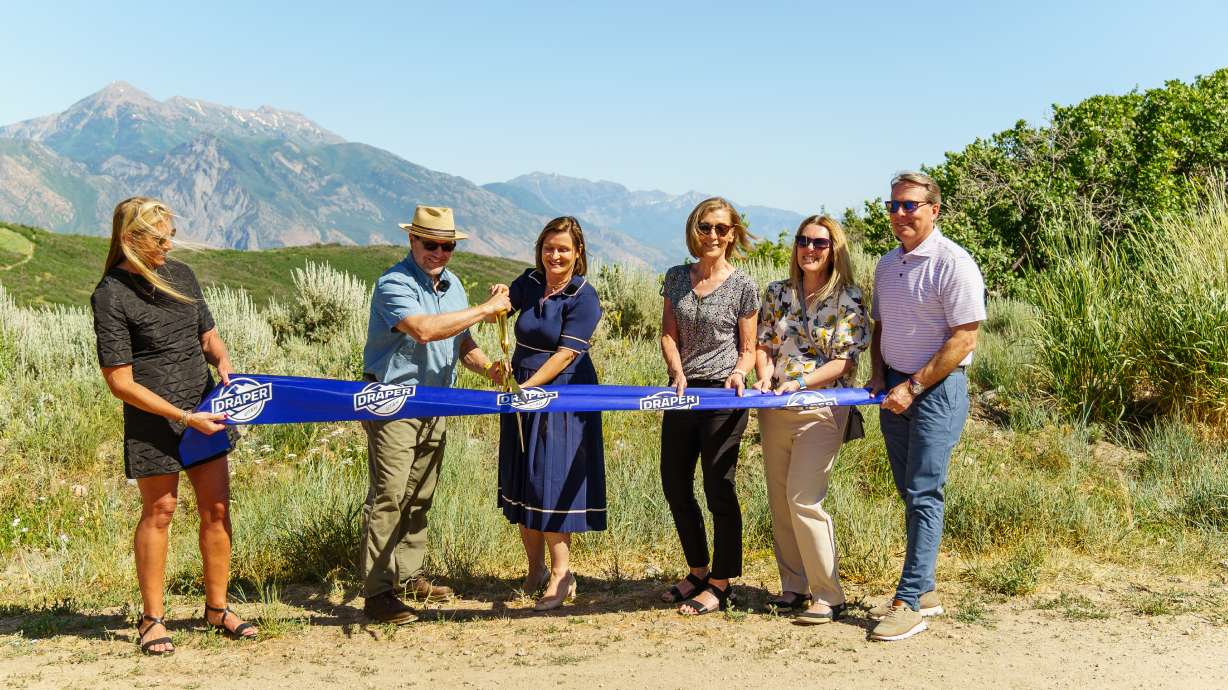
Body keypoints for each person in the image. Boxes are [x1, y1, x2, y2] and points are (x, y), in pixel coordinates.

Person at [91, 197, 254, 655]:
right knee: (159, 513)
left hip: (207, 409)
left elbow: (207, 335)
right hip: (155, 421)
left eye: (171, 234)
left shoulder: (182, 275)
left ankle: (217, 609)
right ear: (131, 239)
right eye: (160, 237)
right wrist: (182, 417)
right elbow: (119, 381)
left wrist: (221, 360)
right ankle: (152, 619)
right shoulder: (110, 293)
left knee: (217, 511)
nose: (170, 243)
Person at [360, 204, 510, 624]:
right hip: (395, 403)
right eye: (432, 245)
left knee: (420, 493)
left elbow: (461, 343)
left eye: (447, 247)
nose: (440, 253)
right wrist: (486, 308)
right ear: (412, 240)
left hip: (435, 401)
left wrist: (490, 370)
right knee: (390, 493)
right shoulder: (394, 283)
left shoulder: (454, 285)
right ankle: (378, 593)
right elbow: (425, 330)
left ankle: (409, 575)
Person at [866, 172, 986, 642]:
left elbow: (965, 337)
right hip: (894, 389)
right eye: (893, 206)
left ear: (934, 210)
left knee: (922, 492)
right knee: (908, 490)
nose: (900, 215)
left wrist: (913, 387)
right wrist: (879, 374)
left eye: (910, 206)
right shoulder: (886, 265)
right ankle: (928, 588)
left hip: (935, 391)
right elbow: (881, 325)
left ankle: (909, 601)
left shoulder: (954, 263)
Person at [752, 215, 869, 625]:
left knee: (804, 498)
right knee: (781, 500)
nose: (810, 248)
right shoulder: (776, 292)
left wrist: (799, 382)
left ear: (834, 249)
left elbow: (843, 361)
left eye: (820, 243)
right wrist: (764, 376)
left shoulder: (848, 299)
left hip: (822, 409)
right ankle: (794, 587)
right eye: (804, 241)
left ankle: (828, 594)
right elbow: (764, 343)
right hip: (775, 409)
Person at [658, 197, 760, 615]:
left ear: (733, 233)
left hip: (723, 395)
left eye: (721, 228)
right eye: (705, 227)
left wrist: (739, 371)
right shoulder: (676, 277)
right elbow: (667, 335)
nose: (713, 236)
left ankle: (721, 581)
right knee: (674, 483)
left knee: (719, 486)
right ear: (693, 231)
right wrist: (677, 370)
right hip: (682, 392)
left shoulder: (743, 285)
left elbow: (751, 348)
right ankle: (698, 568)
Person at [497, 217, 605, 611]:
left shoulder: (583, 296)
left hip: (562, 394)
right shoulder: (530, 282)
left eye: (563, 249)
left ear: (578, 253)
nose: (554, 255)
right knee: (524, 476)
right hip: (522, 388)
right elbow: (504, 306)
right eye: (548, 248)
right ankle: (535, 569)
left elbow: (565, 354)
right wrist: (497, 298)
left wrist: (528, 389)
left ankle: (563, 575)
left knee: (551, 479)